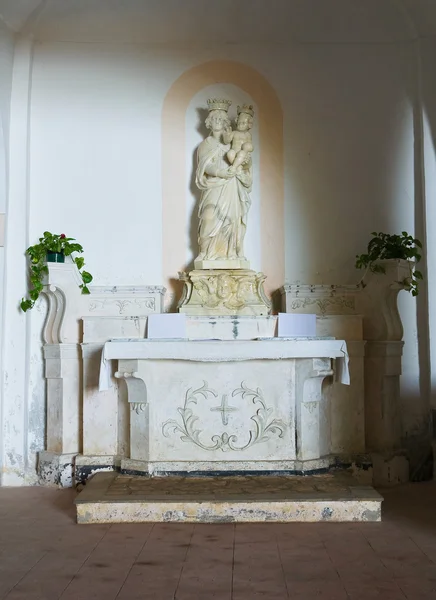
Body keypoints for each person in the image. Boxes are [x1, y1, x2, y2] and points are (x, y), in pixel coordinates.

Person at [195, 99, 252, 265]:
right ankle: (204, 253)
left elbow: (245, 165)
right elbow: (205, 167)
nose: (217, 122)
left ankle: (232, 253)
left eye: (221, 119)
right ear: (209, 123)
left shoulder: (234, 143)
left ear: (226, 122)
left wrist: (243, 165)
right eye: (214, 119)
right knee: (208, 217)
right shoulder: (204, 145)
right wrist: (221, 172)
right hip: (214, 186)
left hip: (231, 186)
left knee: (232, 220)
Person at [224, 105, 254, 175]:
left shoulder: (248, 135)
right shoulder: (234, 133)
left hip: (245, 158)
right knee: (230, 153)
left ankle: (234, 167)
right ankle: (238, 166)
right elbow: (226, 141)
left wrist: (247, 150)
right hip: (234, 155)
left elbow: (250, 147)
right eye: (239, 122)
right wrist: (227, 134)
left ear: (249, 125)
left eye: (243, 123)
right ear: (236, 121)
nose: (240, 125)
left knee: (242, 153)